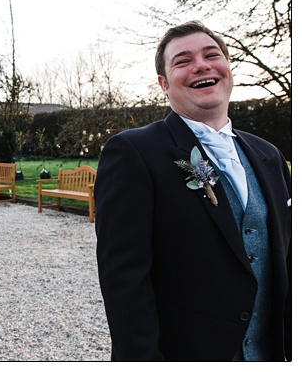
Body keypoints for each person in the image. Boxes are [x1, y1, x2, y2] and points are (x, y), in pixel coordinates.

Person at [95, 21, 290, 361]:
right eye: (183, 61)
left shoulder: (268, 155)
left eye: (211, 55)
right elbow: (124, 279)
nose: (201, 64)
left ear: (227, 69)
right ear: (164, 84)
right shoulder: (133, 152)